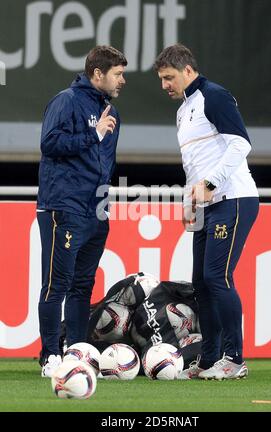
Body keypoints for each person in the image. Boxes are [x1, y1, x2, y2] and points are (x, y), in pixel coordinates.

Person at [154, 44, 259, 380]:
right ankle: (208, 360)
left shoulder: (214, 96)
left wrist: (211, 184)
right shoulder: (183, 111)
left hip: (233, 198)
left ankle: (234, 359)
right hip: (207, 205)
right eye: (161, 79)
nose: (165, 85)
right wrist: (191, 202)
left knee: (218, 277)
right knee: (201, 283)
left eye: (169, 77)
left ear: (187, 70)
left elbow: (241, 143)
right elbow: (194, 165)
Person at [36, 45, 127, 377]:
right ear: (98, 74)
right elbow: (50, 144)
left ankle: (76, 352)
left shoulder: (112, 112)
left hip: (96, 211)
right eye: (118, 73)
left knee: (83, 285)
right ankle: (49, 356)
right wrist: (94, 133)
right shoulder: (67, 101)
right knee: (56, 284)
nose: (123, 80)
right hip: (64, 206)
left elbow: (105, 164)